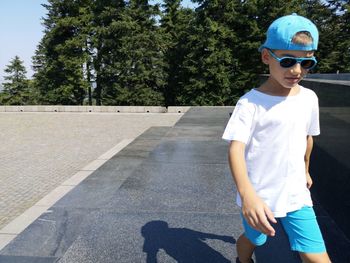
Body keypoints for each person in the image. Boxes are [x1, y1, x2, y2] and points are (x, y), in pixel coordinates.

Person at [222, 13, 331, 263]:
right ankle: (243, 260)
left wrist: (305, 170)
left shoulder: (308, 99)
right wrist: (247, 194)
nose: (296, 70)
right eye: (287, 61)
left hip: (296, 196)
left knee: (317, 256)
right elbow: (236, 149)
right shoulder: (250, 103)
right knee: (254, 239)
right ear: (266, 57)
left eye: (306, 63)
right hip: (260, 195)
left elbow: (307, 138)